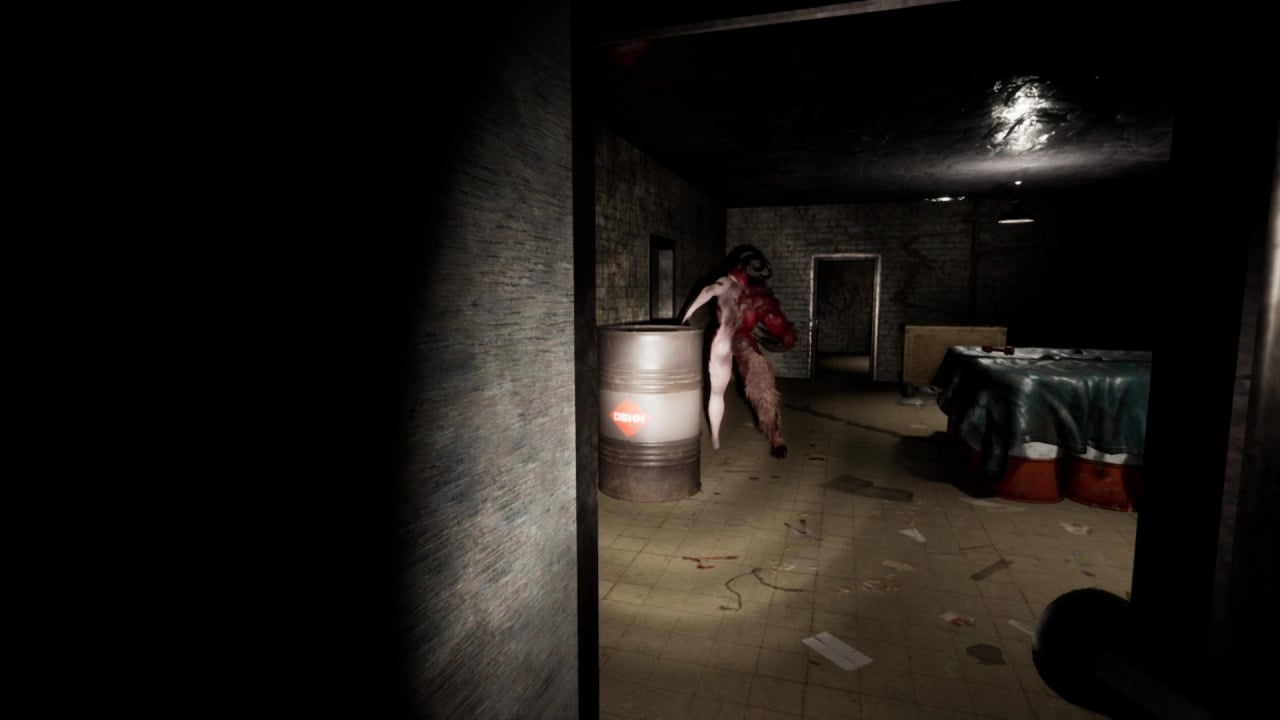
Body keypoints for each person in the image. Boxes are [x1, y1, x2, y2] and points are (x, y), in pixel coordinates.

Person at [681, 245, 796, 458]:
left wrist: (686, 314)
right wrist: (785, 335)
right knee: (761, 390)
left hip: (726, 341)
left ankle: (718, 437)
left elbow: (708, 291)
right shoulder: (750, 292)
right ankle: (774, 437)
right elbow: (772, 318)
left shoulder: (731, 284)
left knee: (721, 392)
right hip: (740, 341)